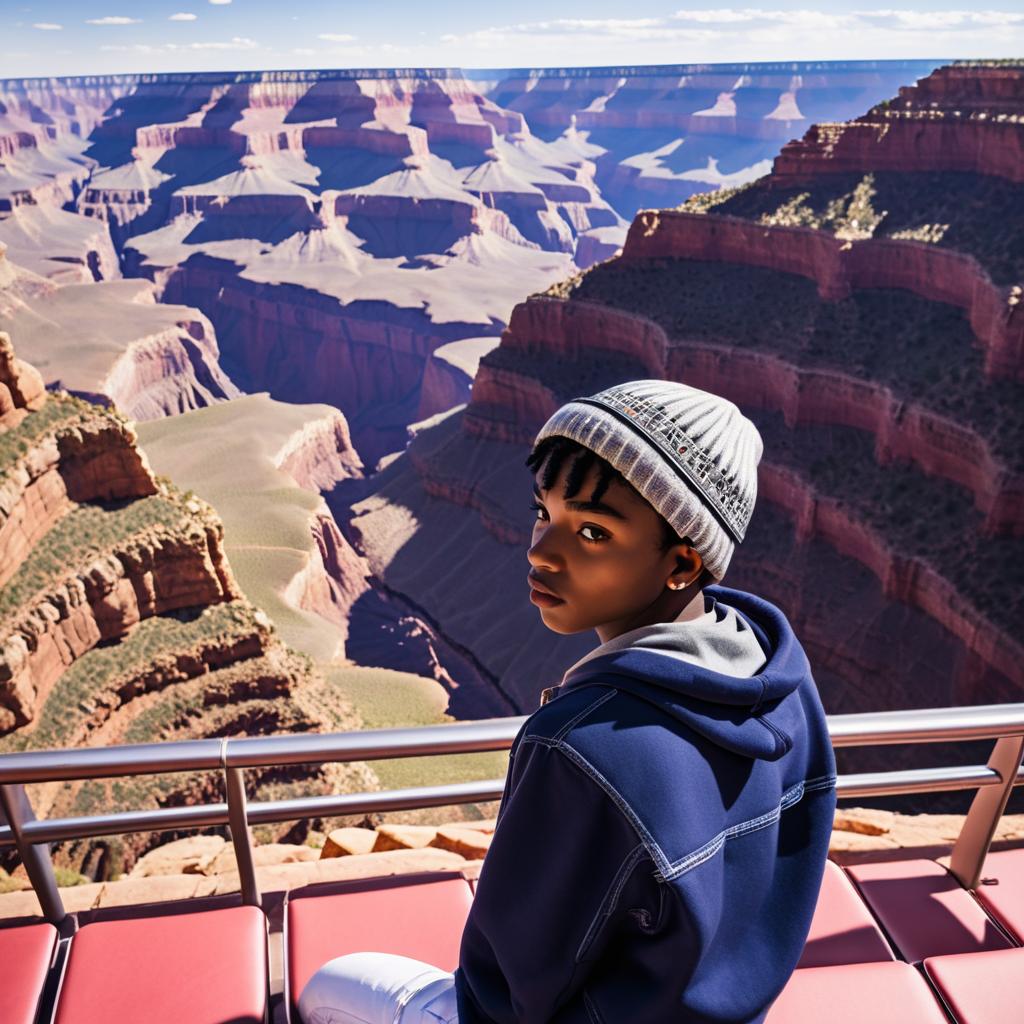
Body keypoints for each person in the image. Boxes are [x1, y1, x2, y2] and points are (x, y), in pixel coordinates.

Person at [298, 378, 837, 1024]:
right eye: (542, 513)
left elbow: (504, 992)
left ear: (683, 563)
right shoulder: (786, 682)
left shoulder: (579, 749)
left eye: (592, 534)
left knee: (326, 986)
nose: (539, 550)